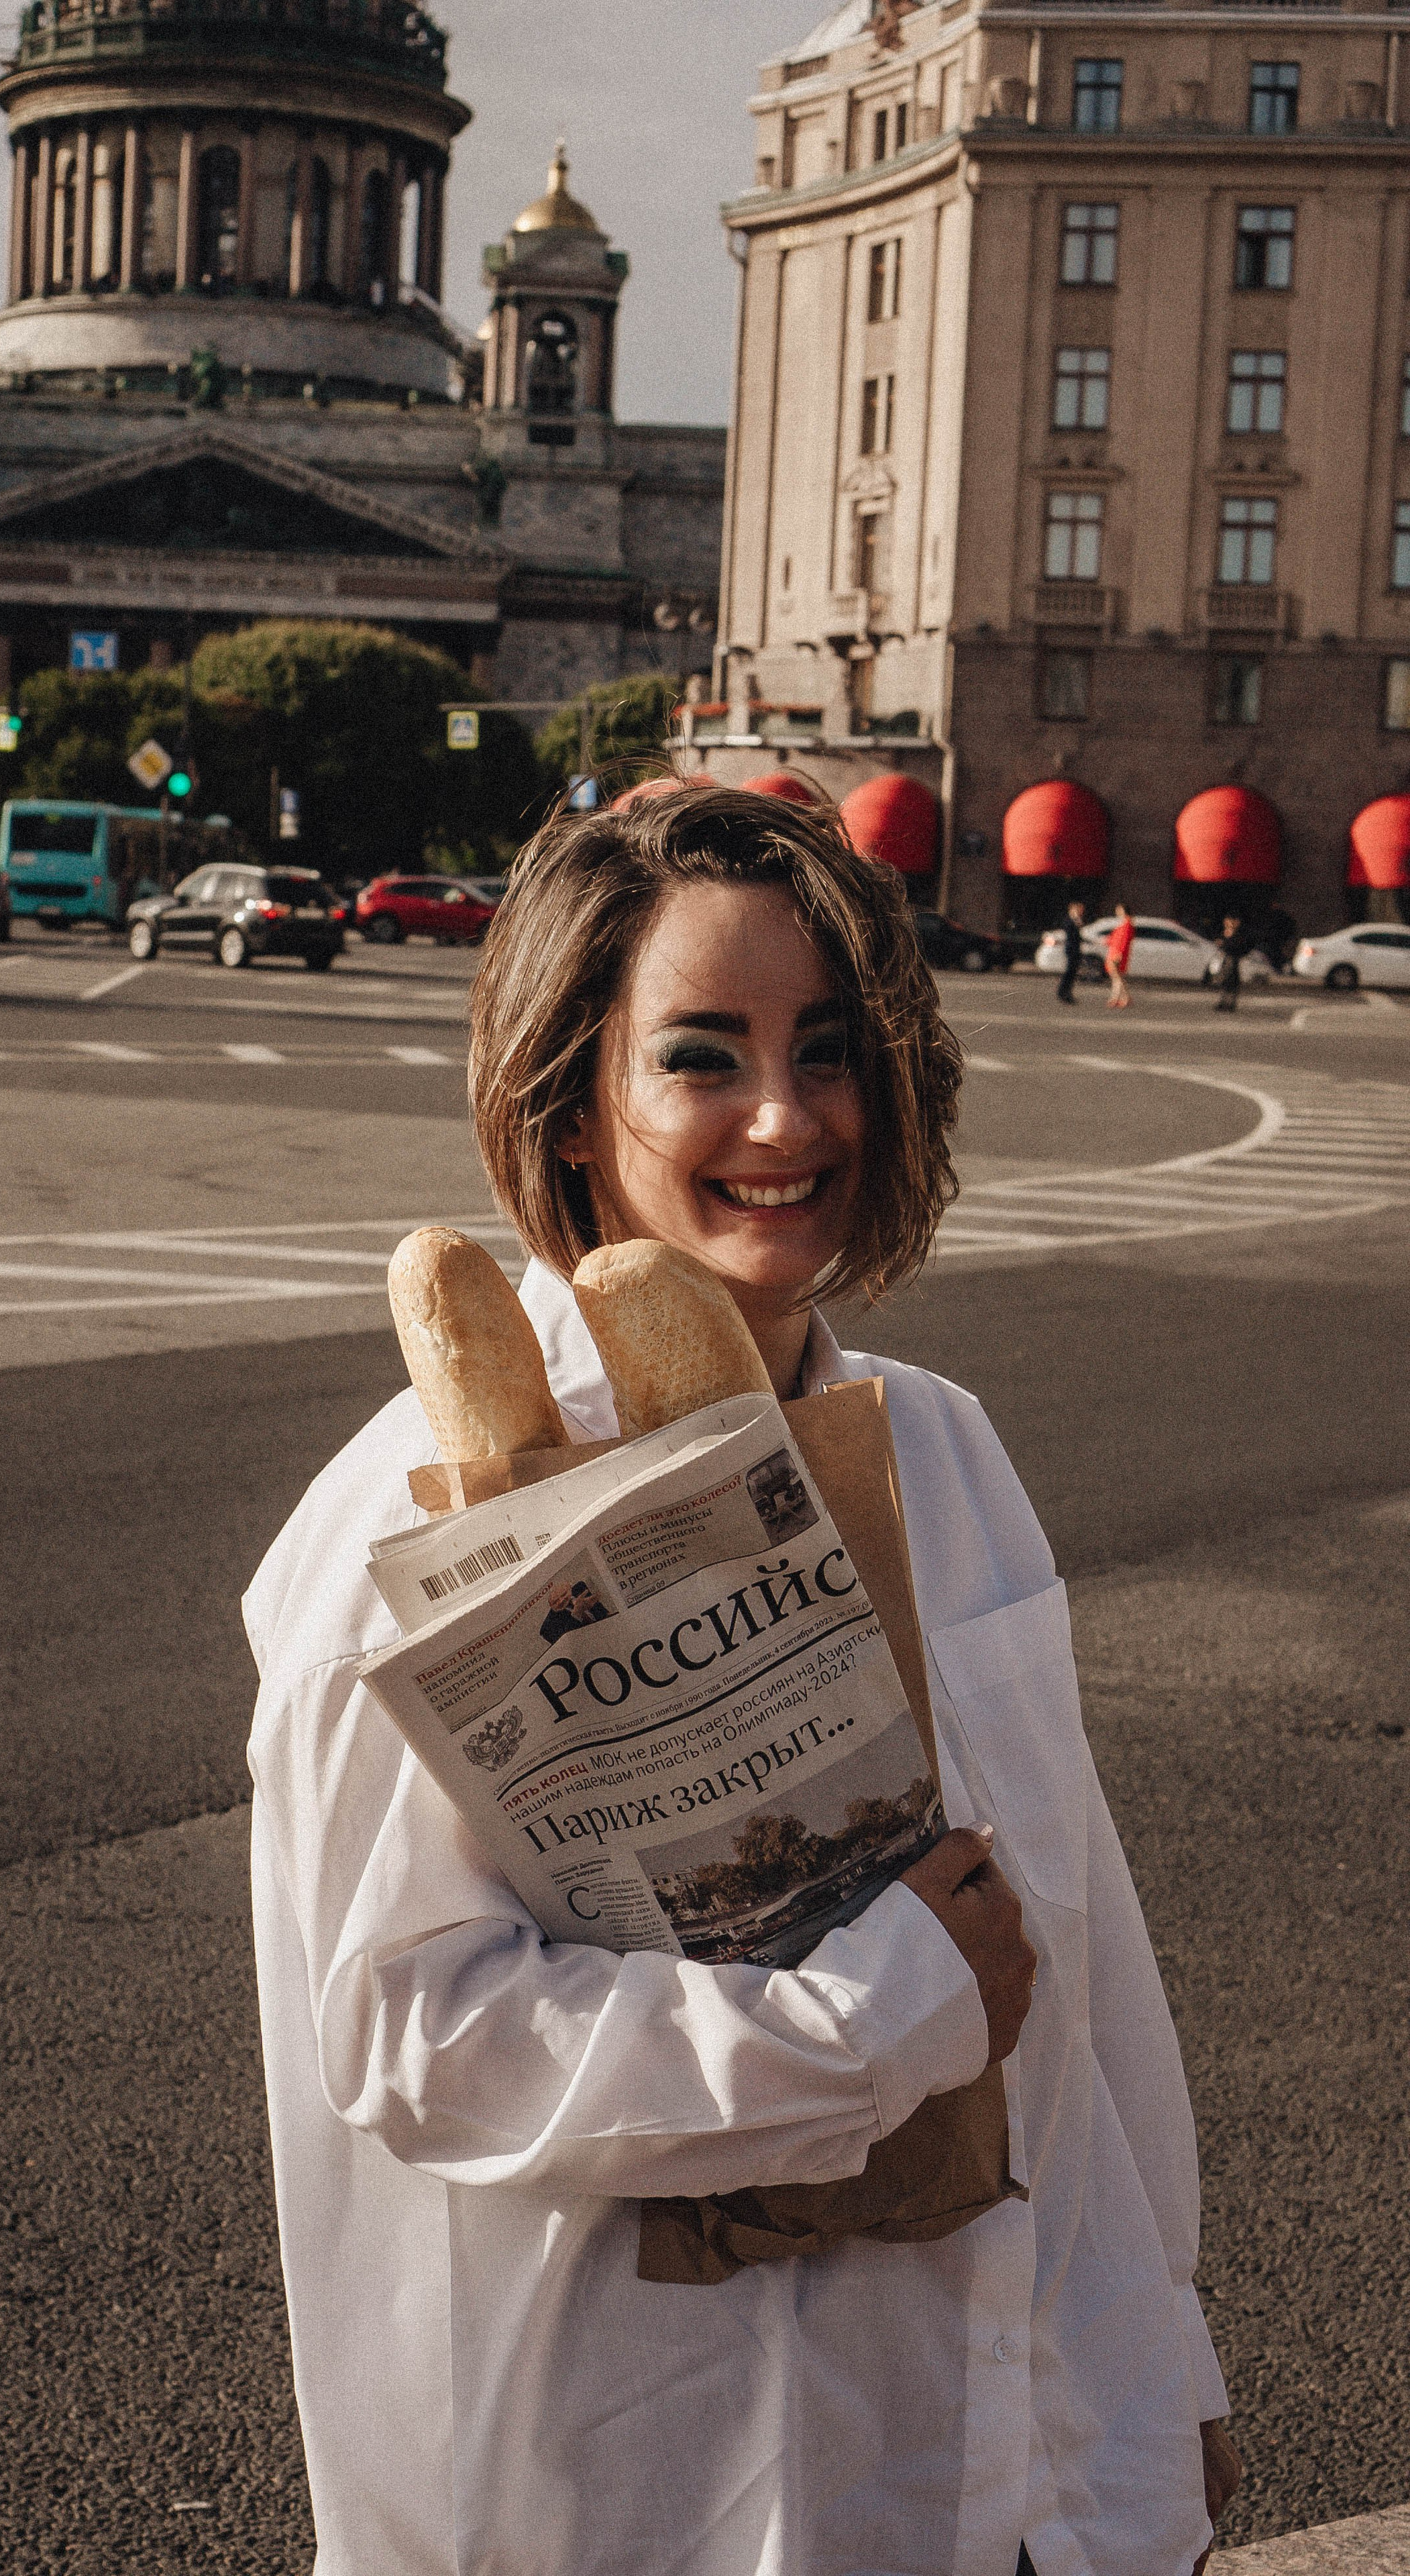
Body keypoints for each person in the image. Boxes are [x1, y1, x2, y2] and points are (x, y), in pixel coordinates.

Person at [243, 783, 1240, 2576]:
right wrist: (864, 2023)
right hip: (647, 2486)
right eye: (702, 1056)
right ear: (572, 1109)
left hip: (994, 2459)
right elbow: (417, 2040)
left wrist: (1157, 2361)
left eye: (832, 1049)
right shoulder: (411, 1525)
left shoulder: (943, 1452)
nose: (787, 1119)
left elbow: (1080, 1970)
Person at [1213, 913, 1249, 1014]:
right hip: (1227, 959)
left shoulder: (1238, 934)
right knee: (1225, 982)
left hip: (1233, 960)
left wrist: (1225, 943)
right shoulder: (1227, 932)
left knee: (1232, 982)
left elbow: (1239, 947)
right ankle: (1223, 1002)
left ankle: (1231, 1004)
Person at [1104, 901, 1134, 1008]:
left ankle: (1118, 998)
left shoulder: (1127, 924)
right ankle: (1122, 998)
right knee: (1117, 977)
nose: (1117, 911)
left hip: (1117, 953)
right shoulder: (1123, 924)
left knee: (1117, 977)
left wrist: (1120, 953)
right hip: (1114, 952)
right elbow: (1114, 938)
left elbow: (1125, 940)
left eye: (1119, 909)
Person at [1056, 898, 1086, 1006]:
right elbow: (1070, 932)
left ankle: (1067, 992)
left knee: (1073, 973)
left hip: (1076, 949)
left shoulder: (1076, 920)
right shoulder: (1069, 920)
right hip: (1071, 949)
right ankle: (1063, 992)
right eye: (1078, 909)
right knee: (1069, 972)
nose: (1080, 912)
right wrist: (1076, 921)